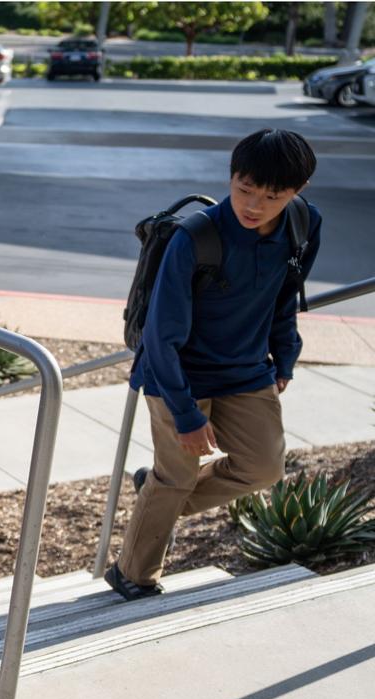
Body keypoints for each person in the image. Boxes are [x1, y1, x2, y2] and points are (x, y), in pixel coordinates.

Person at [105, 128, 321, 600]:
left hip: (246, 368)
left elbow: (285, 298)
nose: (254, 205)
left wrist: (285, 355)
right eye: (245, 189)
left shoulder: (304, 224)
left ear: (297, 192)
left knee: (264, 467)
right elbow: (162, 337)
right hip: (176, 372)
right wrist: (185, 414)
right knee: (178, 474)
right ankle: (131, 575)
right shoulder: (194, 238)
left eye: (272, 196)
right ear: (231, 175)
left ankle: (157, 496)